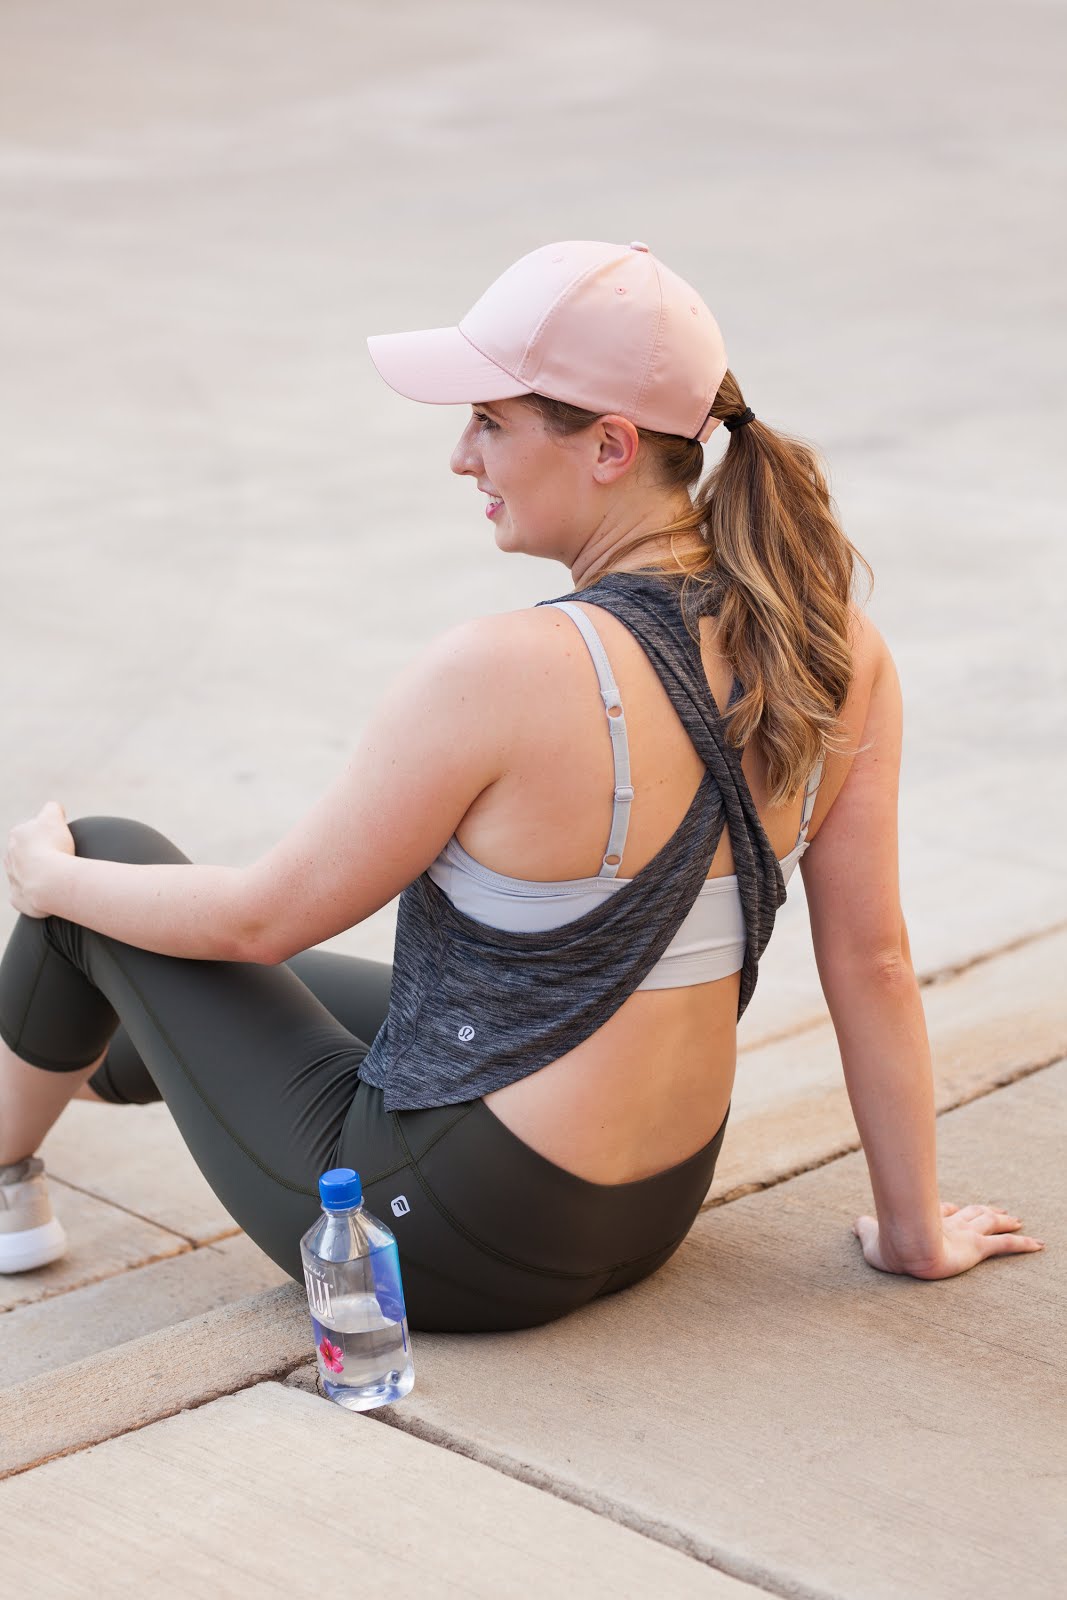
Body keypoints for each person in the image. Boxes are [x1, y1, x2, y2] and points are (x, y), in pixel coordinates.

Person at [0, 239, 1043, 1328]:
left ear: (609, 446)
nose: (462, 457)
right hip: (649, 1207)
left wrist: (45, 880)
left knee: (101, 861)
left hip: (444, 1232)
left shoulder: (504, 670)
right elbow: (873, 959)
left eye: (490, 422)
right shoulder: (834, 644)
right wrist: (913, 1232)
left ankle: (9, 1171)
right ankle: (73, 1045)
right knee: (176, 964)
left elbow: (259, 920)